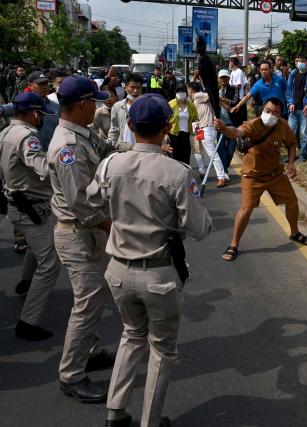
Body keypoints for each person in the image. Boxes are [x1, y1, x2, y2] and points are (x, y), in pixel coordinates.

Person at [86, 94, 212, 427]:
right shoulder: (177, 173)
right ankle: (150, 421)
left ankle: (115, 410)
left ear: (130, 125)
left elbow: (91, 198)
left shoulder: (111, 164)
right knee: (161, 349)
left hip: (118, 271)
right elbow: (199, 228)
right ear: (167, 127)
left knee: (131, 335)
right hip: (159, 275)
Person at [48, 75, 131, 403]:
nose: (98, 106)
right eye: (94, 102)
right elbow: (80, 202)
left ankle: (91, 351)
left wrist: (140, 148)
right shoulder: (67, 147)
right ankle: (71, 374)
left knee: (94, 298)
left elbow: (109, 149)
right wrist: (112, 225)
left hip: (89, 232)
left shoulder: (83, 133)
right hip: (79, 233)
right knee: (86, 304)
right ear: (81, 105)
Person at [214, 98, 307, 261]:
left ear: (280, 114)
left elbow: (291, 144)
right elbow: (236, 132)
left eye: (275, 112)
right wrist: (224, 129)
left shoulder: (282, 125)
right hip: (253, 175)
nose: (270, 114)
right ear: (262, 110)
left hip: (275, 174)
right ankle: (234, 244)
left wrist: (291, 163)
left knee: (292, 202)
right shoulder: (253, 124)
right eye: (268, 110)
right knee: (245, 210)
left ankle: (294, 232)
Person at [0, 93, 61, 341]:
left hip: (21, 202)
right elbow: (42, 168)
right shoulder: (27, 137)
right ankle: (28, 321)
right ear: (34, 113)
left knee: (37, 249)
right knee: (50, 263)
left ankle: (25, 281)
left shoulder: (5, 132)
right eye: (41, 115)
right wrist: (63, 166)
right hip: (30, 205)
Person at [187, 81, 227, 186]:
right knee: (197, 150)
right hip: (198, 127)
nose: (187, 91)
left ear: (191, 89)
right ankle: (202, 171)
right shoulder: (193, 98)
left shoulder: (198, 95)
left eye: (188, 89)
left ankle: (222, 176)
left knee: (212, 153)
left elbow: (211, 95)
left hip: (206, 127)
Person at [287, 52, 307, 162]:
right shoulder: (293, 73)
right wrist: (290, 103)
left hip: (306, 109)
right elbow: (289, 90)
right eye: (299, 61)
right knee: (290, 133)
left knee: (305, 134)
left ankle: (303, 155)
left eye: (303, 61)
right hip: (293, 109)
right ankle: (290, 155)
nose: (300, 63)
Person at [217, 69, 241, 179]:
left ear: (229, 78)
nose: (224, 79)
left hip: (232, 124)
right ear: (218, 79)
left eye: (226, 77)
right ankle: (224, 171)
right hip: (219, 124)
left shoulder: (234, 89)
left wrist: (221, 100)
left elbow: (234, 103)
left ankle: (224, 167)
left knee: (231, 149)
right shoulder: (215, 89)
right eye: (222, 77)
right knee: (220, 149)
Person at [109, 73, 143, 145]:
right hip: (123, 149)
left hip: (142, 149)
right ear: (125, 88)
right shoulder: (117, 107)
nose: (135, 91)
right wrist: (113, 148)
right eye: (132, 87)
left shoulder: (147, 106)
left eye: (138, 88)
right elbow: (114, 130)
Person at [168, 83, 198, 165]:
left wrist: (197, 138)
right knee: (174, 160)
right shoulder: (171, 104)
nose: (181, 93)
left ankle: (185, 177)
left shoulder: (191, 106)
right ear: (175, 93)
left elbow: (195, 120)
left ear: (186, 93)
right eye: (179, 91)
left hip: (186, 136)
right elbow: (164, 120)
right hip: (173, 136)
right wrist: (164, 135)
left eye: (183, 91)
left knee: (185, 160)